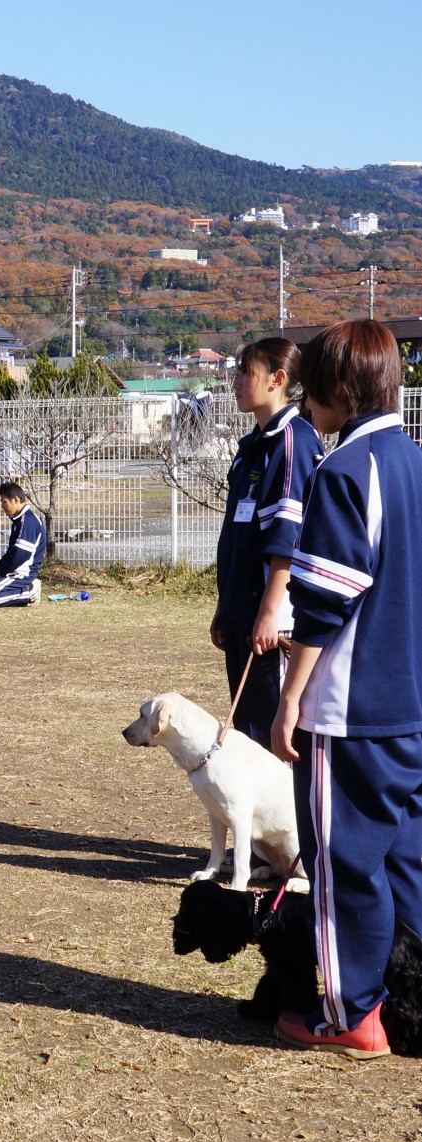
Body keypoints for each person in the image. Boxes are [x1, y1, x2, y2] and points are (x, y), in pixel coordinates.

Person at [271, 319, 422, 1059]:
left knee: (341, 859)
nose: (302, 403)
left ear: (336, 390)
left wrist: (290, 696)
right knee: (406, 855)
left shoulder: (342, 470)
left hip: (351, 706)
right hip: (412, 703)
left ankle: (349, 1012)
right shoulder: (415, 462)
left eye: (309, 389)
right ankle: (410, 995)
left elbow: (325, 601)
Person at [211, 337, 325, 747]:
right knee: (246, 735)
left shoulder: (294, 440)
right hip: (242, 613)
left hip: (272, 620)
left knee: (271, 740)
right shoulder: (249, 448)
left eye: (246, 372)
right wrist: (226, 606)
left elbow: (286, 540)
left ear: (278, 379)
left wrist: (270, 613)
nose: (237, 381)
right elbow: (237, 537)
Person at [0, 481, 45, 607]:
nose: (2, 506)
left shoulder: (28, 521)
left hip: (22, 574)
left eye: (4, 502)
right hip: (12, 572)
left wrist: (0, 573)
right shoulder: (20, 519)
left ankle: (29, 593)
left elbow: (22, 555)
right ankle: (25, 591)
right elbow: (12, 553)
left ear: (15, 500)